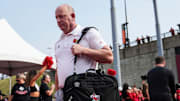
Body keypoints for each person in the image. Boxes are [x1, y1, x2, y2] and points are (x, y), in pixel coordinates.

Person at [54, 4, 113, 101]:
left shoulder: (88, 33)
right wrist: (58, 92)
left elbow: (109, 56)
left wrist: (83, 50)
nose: (58, 21)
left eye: (61, 16)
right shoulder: (58, 42)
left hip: (84, 91)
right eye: (56, 18)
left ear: (72, 16)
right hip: (65, 94)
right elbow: (58, 69)